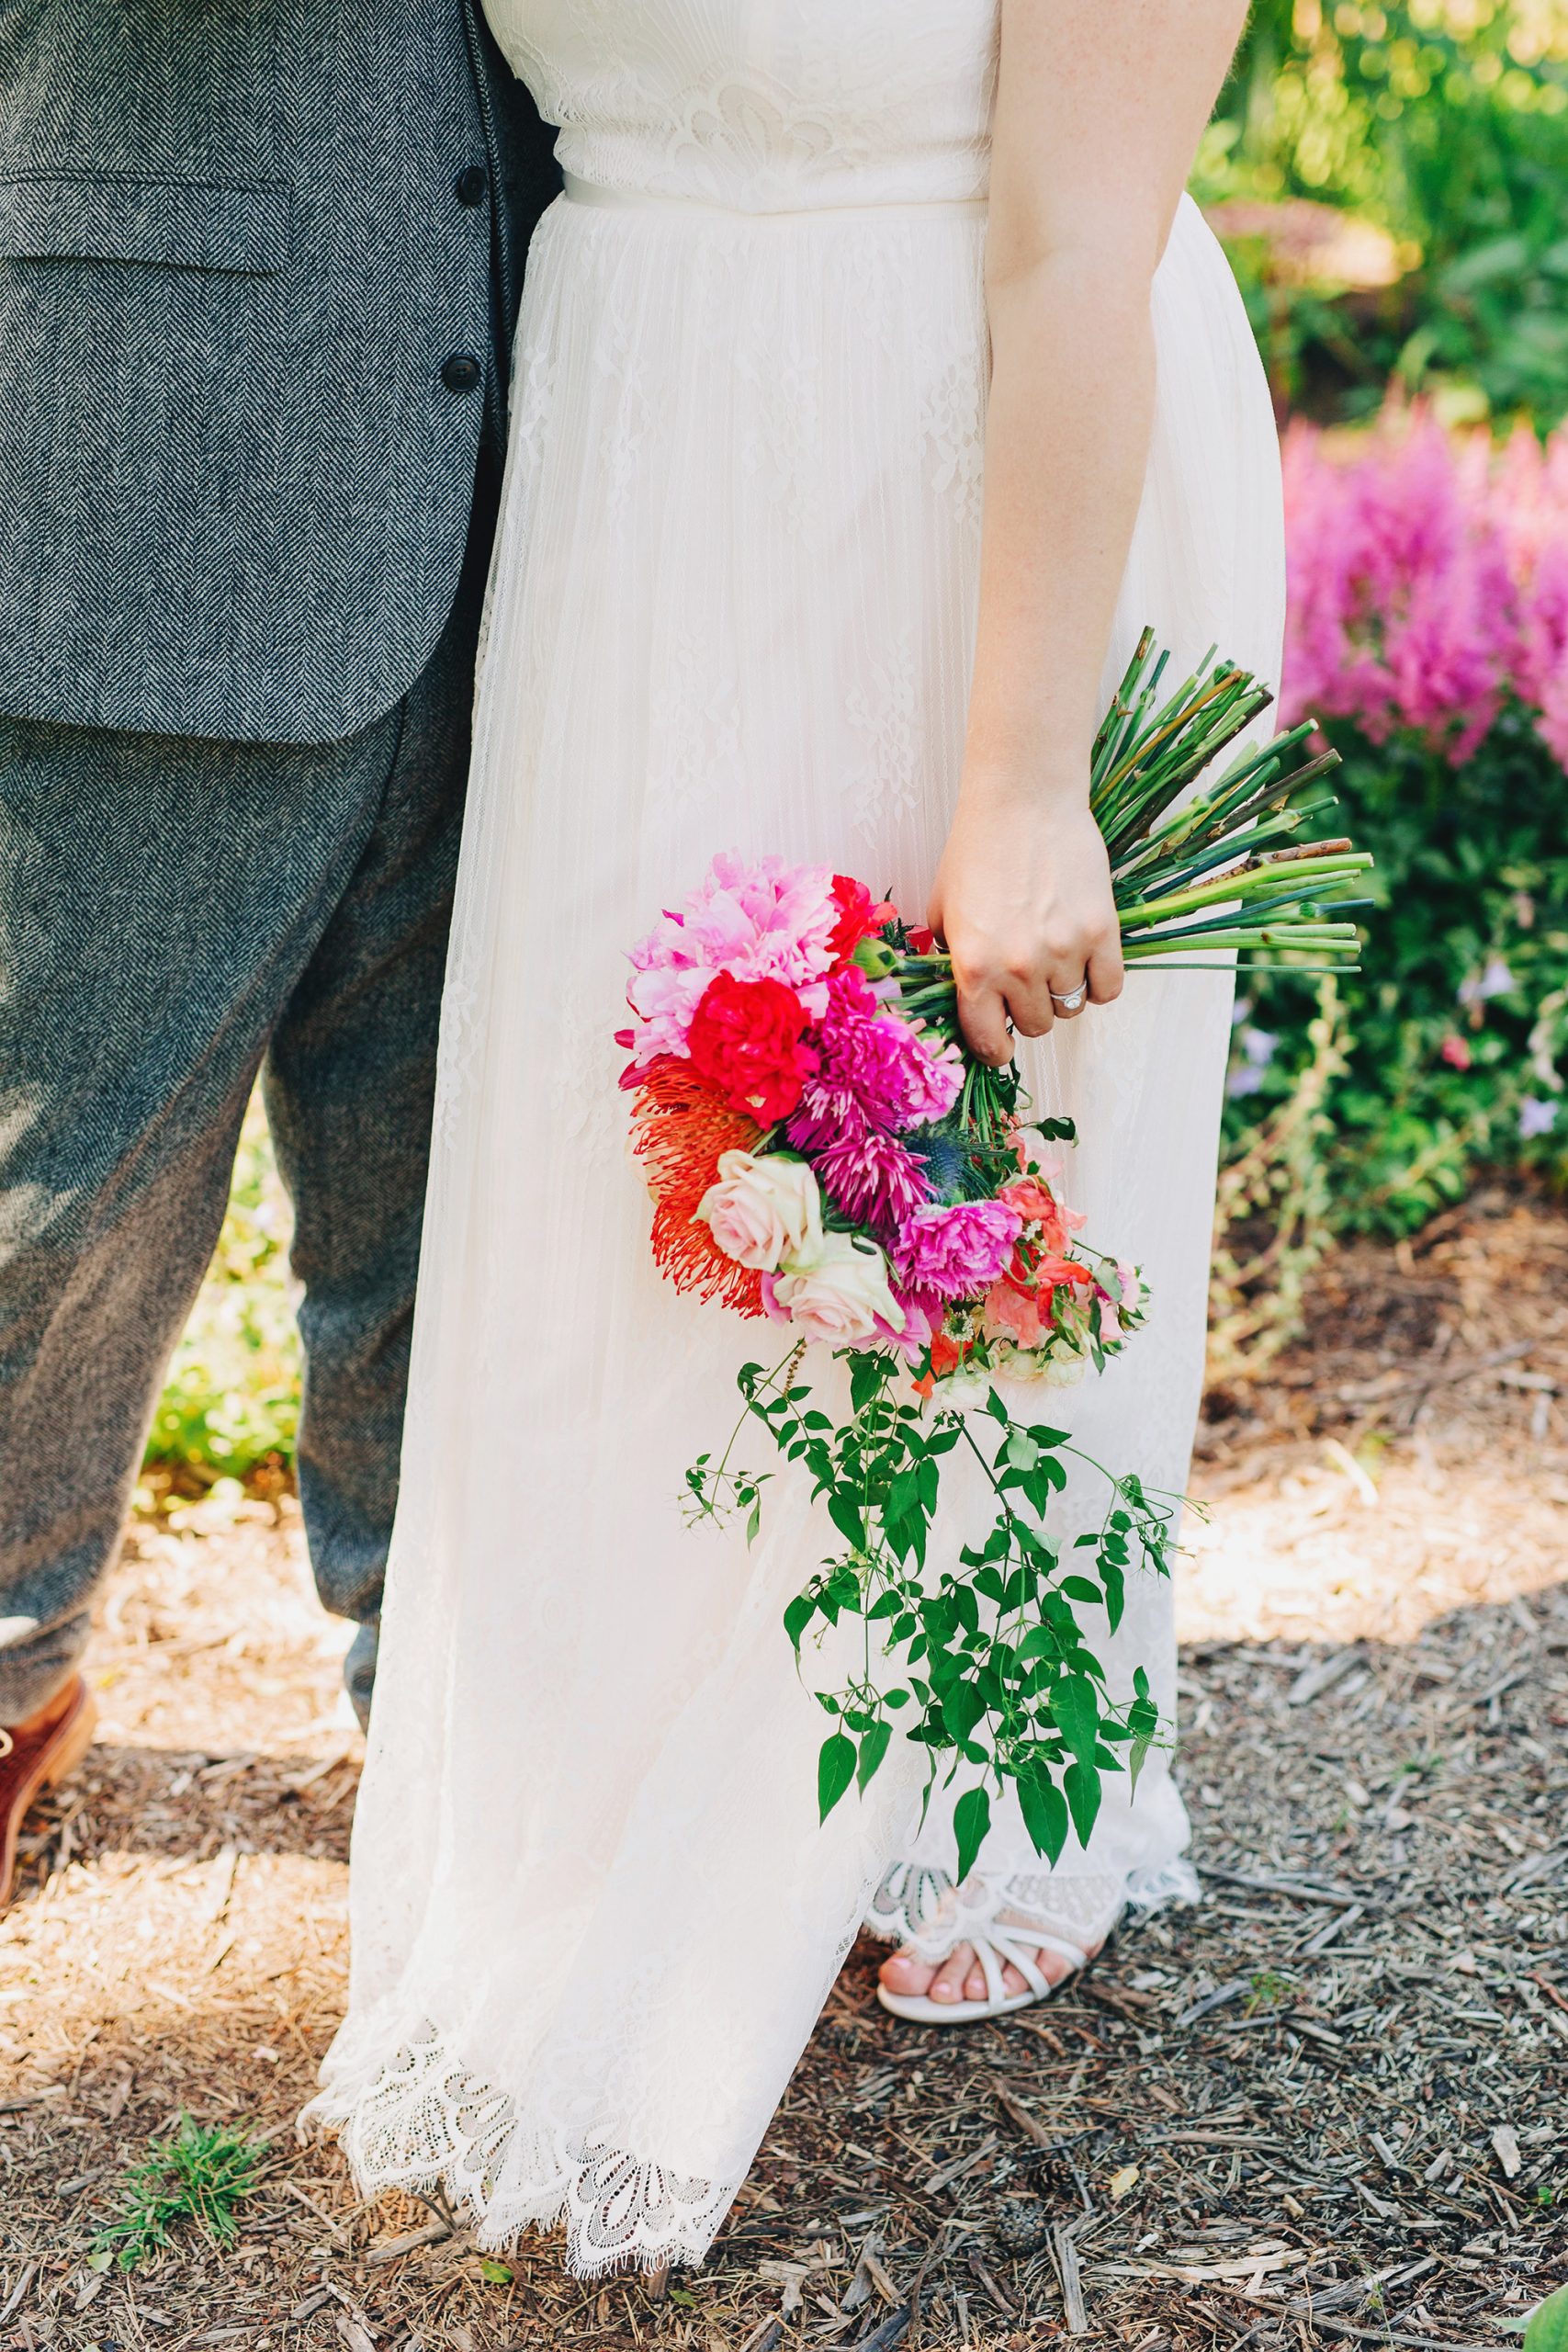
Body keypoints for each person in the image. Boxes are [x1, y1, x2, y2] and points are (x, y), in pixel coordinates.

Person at [311, 0, 1285, 2278]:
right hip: (641, 432)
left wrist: (1023, 776)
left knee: (963, 1151)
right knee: (637, 1142)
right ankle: (608, 1771)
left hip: (979, 453)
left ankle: (982, 1788)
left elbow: (1078, 244)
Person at [0, 0, 560, 1908]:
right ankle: (6, 1660)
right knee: (58, 1185)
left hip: (552, 443)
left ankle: (446, 1700)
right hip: (151, 443)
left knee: (466, 1176)